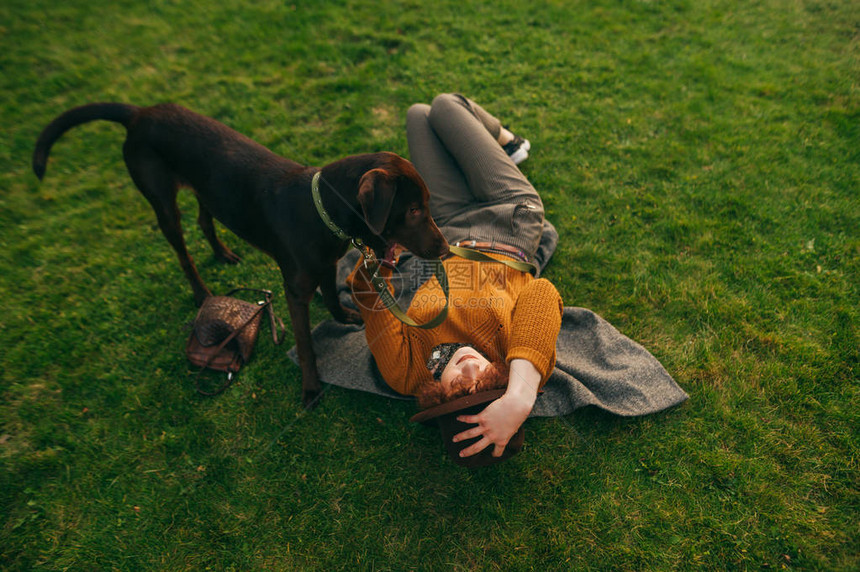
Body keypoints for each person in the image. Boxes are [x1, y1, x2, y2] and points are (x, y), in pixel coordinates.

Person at [347, 93, 563, 464]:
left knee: (418, 115)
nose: (469, 368)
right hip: (509, 218)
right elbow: (542, 293)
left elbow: (370, 297)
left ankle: (489, 150)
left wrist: (379, 257)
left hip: (447, 229)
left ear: (437, 396)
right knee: (447, 105)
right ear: (500, 383)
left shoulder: (407, 373)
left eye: (460, 388)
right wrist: (519, 396)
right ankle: (510, 144)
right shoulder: (519, 364)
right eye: (482, 383)